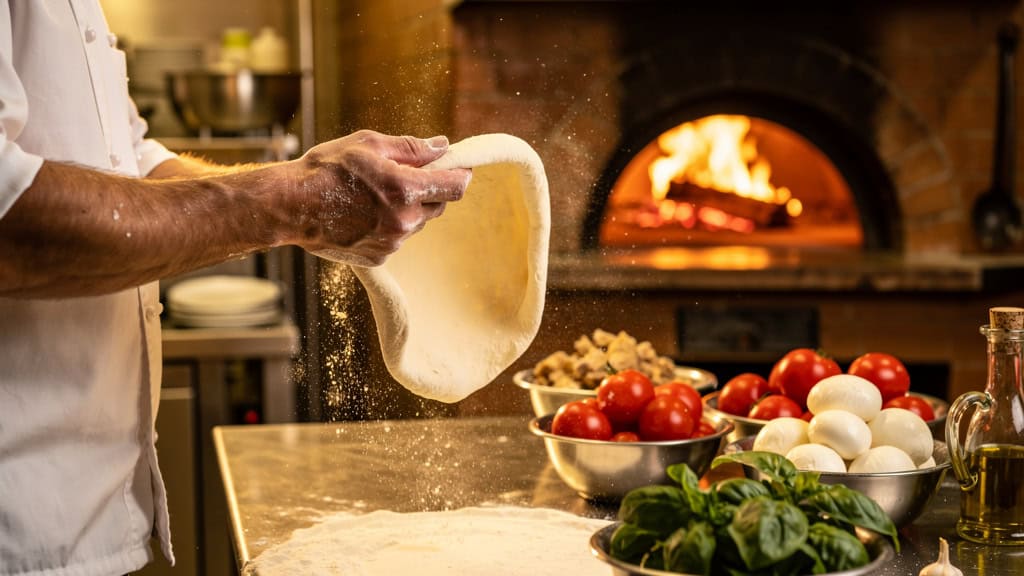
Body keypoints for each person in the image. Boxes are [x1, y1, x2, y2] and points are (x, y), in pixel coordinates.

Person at [0, 2, 470, 575]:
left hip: (87, 514)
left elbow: (136, 161)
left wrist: (297, 189)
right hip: (15, 520)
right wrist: (291, 202)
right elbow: (10, 216)